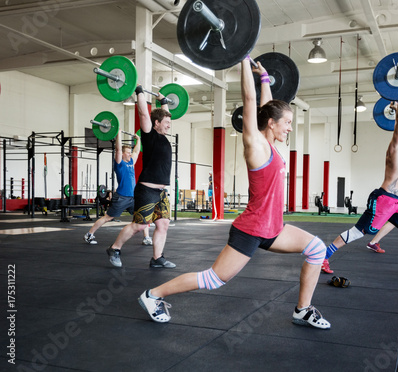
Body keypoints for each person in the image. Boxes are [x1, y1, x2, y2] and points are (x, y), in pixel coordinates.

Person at [137, 57, 331, 330]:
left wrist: (265, 78)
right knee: (214, 279)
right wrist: (242, 58)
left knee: (317, 249)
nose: (289, 127)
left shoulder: (271, 144)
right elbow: (251, 104)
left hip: (273, 228)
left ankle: (302, 310)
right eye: (286, 122)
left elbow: (264, 107)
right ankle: (152, 295)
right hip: (252, 229)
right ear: (272, 124)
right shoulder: (257, 146)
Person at [322, 101, 398, 277]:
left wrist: (397, 105)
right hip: (385, 199)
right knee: (359, 232)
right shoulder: (396, 146)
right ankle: (324, 256)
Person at [105, 86, 174, 268]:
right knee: (140, 226)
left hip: (161, 192)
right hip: (146, 191)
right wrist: (140, 92)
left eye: (169, 123)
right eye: (165, 122)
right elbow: (144, 114)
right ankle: (115, 248)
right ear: (156, 123)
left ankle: (157, 258)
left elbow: (165, 115)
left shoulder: (164, 137)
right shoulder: (149, 135)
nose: (168, 125)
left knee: (163, 224)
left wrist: (164, 101)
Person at [84, 133, 152, 246]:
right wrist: (119, 134)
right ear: (123, 154)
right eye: (128, 153)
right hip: (121, 197)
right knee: (108, 217)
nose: (130, 154)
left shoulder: (131, 162)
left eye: (130, 153)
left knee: (142, 215)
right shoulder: (119, 164)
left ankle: (146, 237)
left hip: (133, 197)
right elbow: (118, 149)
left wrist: (138, 139)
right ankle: (89, 234)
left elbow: (136, 152)